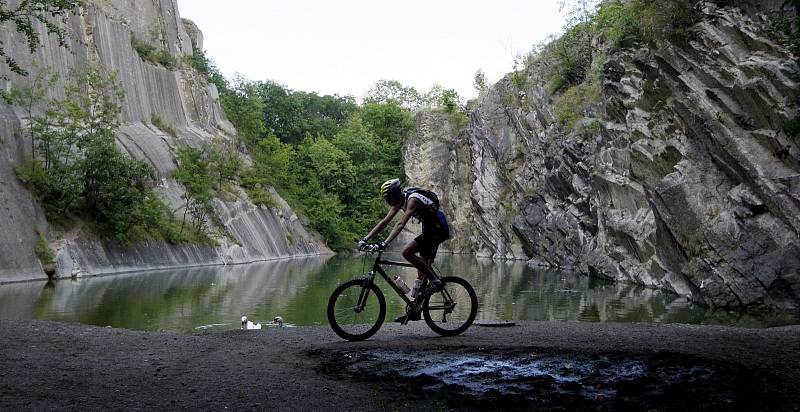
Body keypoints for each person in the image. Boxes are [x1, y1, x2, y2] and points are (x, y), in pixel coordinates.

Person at [359, 178, 450, 323]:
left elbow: (401, 224)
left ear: (395, 194)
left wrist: (384, 243)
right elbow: (384, 222)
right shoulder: (399, 202)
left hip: (438, 228)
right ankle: (416, 311)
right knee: (421, 272)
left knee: (407, 252)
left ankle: (436, 281)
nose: (388, 202)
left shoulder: (412, 200)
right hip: (429, 228)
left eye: (388, 198)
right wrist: (365, 238)